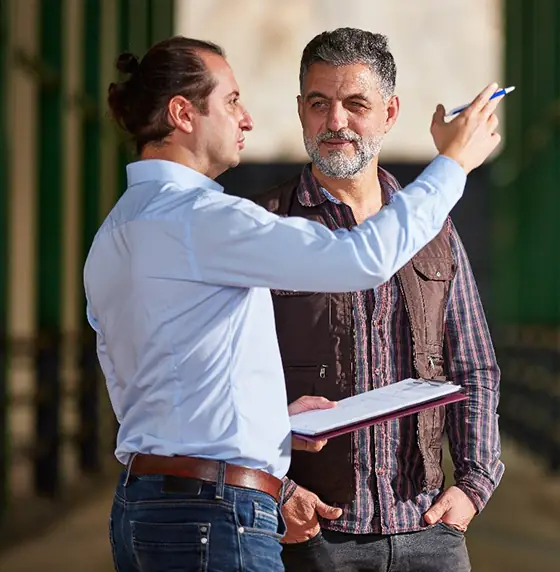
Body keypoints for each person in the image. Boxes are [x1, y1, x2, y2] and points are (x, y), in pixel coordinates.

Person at [84, 35, 503, 571]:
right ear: (183, 113)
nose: (247, 119)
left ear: (388, 112)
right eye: (232, 100)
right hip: (220, 515)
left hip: (152, 504)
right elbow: (364, 259)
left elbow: (167, 389)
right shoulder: (210, 221)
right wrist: (454, 162)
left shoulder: (116, 230)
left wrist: (273, 421)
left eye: (355, 104)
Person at [252, 28, 504, 572]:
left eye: (355, 104)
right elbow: (224, 382)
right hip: (313, 532)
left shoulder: (435, 229)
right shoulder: (261, 228)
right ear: (300, 110)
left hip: (429, 532)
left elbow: (475, 366)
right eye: (319, 103)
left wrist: (475, 484)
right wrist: (279, 490)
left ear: (390, 113)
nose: (336, 122)